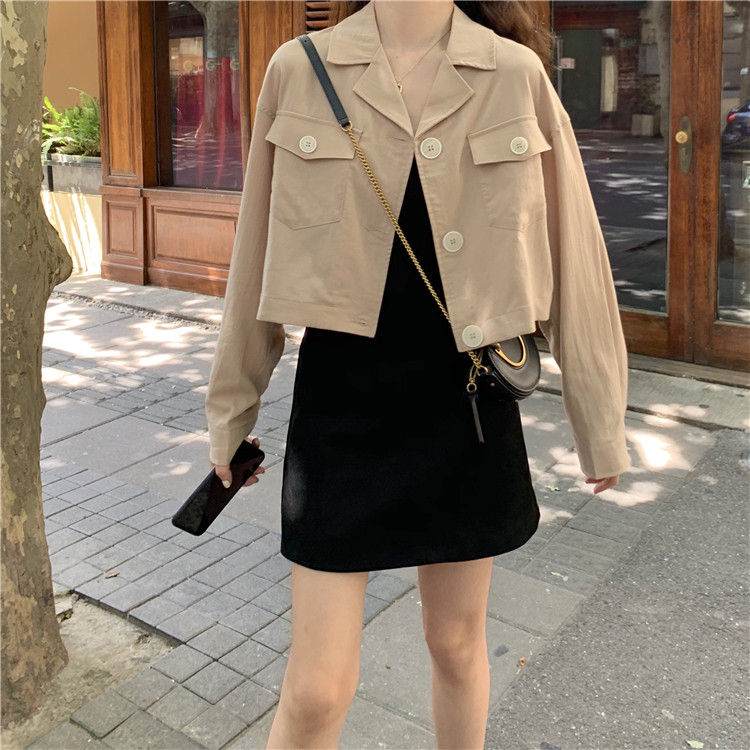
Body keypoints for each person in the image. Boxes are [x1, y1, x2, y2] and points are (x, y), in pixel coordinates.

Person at [205, 1, 631, 747]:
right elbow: (253, 258)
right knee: (316, 690)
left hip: (466, 410)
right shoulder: (300, 70)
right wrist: (231, 412)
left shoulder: (513, 74)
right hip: (340, 410)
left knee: (457, 646)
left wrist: (599, 422)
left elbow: (575, 254)